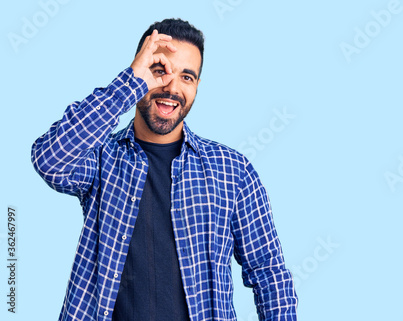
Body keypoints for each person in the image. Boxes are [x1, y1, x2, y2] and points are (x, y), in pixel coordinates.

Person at [31, 18, 298, 321]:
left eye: (187, 77)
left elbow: (269, 273)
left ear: (197, 85)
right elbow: (50, 160)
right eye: (160, 71)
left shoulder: (233, 170)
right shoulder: (102, 157)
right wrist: (128, 83)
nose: (172, 88)